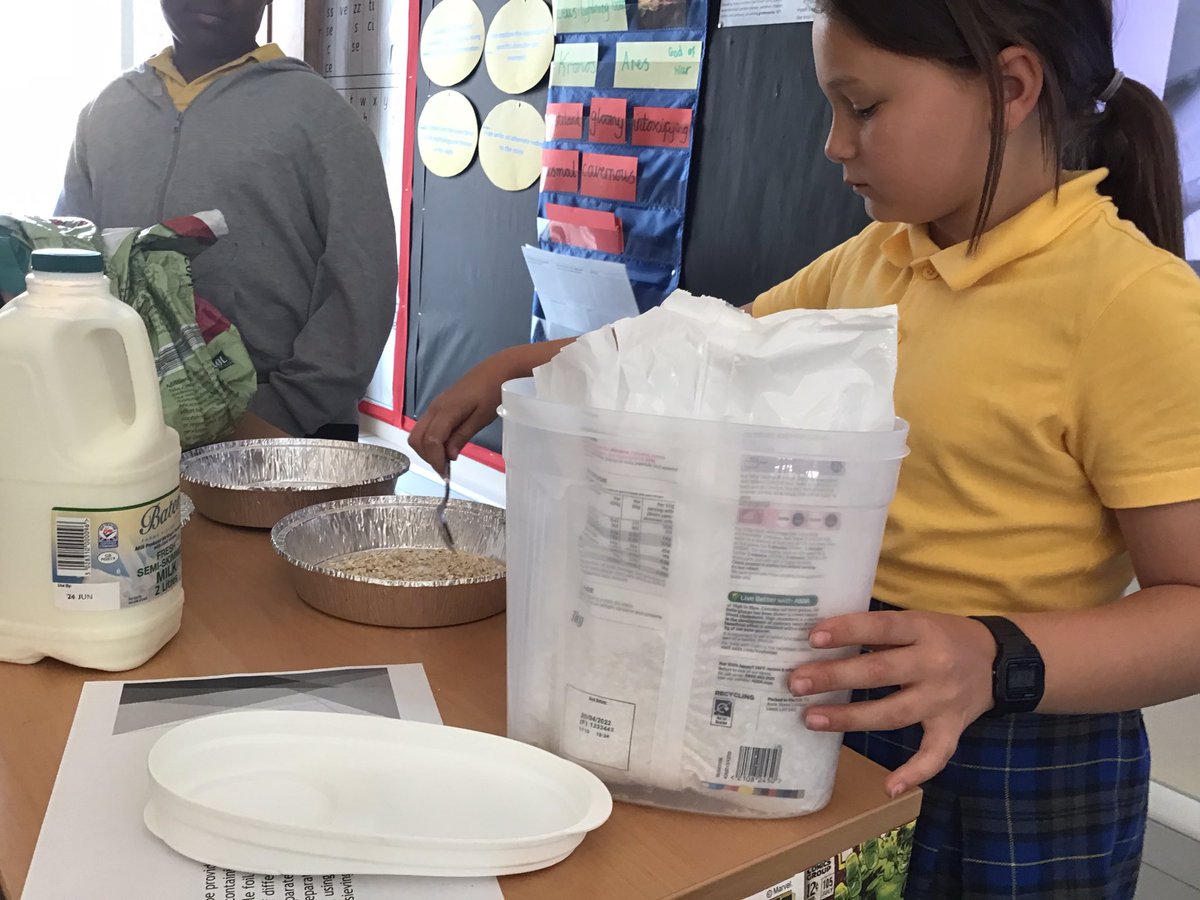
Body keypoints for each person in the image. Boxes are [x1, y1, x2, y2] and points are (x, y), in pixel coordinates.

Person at [413, 2, 1200, 896]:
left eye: (862, 107)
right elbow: (709, 355)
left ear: (1012, 88)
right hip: (826, 703)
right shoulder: (872, 262)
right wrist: (526, 364)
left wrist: (994, 658)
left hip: (1014, 741)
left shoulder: (1132, 304)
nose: (834, 144)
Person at [57, 0, 397, 441]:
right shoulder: (104, 111)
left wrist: (285, 409)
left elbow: (362, 281)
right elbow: (72, 259)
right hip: (125, 422)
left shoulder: (321, 115)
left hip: (282, 430)